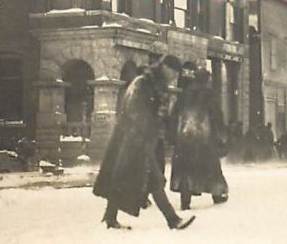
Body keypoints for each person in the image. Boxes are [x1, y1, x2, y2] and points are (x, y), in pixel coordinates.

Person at [93, 55, 195, 231]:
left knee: (122, 178)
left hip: (139, 141)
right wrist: (144, 133)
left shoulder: (154, 86)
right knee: (153, 180)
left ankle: (110, 218)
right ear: (163, 67)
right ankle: (173, 220)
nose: (173, 76)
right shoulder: (142, 83)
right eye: (172, 71)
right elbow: (135, 111)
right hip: (133, 140)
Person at [170, 68, 229, 210]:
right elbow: (216, 116)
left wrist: (173, 135)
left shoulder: (184, 94)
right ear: (206, 79)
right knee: (211, 166)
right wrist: (221, 135)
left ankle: (185, 200)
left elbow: (174, 115)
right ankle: (217, 194)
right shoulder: (209, 94)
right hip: (204, 137)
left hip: (184, 136)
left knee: (185, 169)